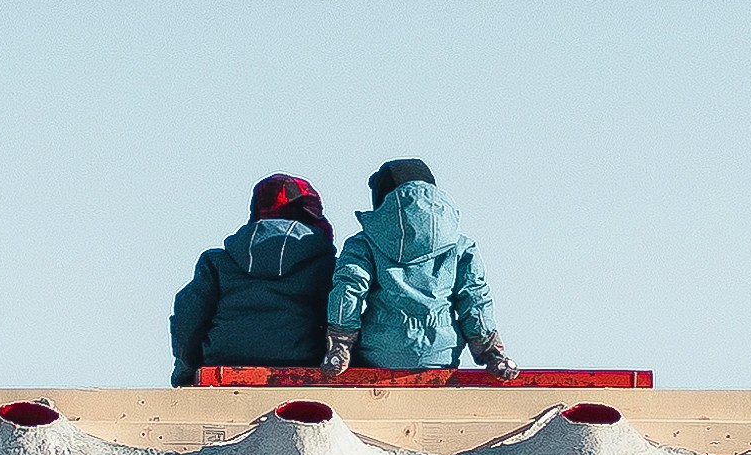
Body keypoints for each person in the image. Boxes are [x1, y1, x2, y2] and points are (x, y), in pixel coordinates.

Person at [320, 158, 509, 375]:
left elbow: (348, 289)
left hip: (379, 351)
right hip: (441, 353)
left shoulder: (364, 242)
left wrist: (340, 342)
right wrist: (489, 349)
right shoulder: (460, 244)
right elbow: (474, 296)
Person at [165, 174, 340, 381]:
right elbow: (339, 314)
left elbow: (189, 315)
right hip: (303, 359)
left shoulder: (217, 261)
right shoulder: (326, 263)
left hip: (223, 358)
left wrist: (187, 368)